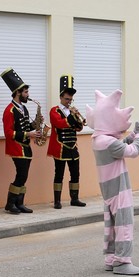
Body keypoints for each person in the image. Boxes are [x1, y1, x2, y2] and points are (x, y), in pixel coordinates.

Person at [88, 89, 139, 275]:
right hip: (117, 189)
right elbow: (132, 151)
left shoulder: (100, 139)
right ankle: (123, 261)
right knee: (124, 223)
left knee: (113, 224)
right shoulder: (108, 142)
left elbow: (121, 146)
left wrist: (132, 135)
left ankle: (111, 258)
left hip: (109, 188)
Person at [1, 68, 41, 215]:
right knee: (21, 175)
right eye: (25, 92)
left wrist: (36, 123)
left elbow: (25, 126)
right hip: (16, 147)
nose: (28, 95)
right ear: (18, 92)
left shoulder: (23, 108)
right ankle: (10, 203)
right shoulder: (9, 110)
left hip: (26, 146)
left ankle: (19, 203)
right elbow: (9, 133)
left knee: (24, 175)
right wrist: (28, 133)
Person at [49, 75, 87, 208]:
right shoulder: (54, 110)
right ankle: (57, 201)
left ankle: (74, 199)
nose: (69, 102)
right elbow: (59, 124)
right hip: (60, 146)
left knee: (75, 173)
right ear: (60, 97)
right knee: (59, 174)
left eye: (70, 99)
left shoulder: (72, 111)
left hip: (72, 146)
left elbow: (79, 127)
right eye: (66, 99)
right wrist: (71, 116)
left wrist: (76, 117)